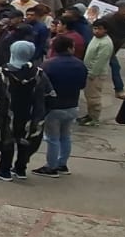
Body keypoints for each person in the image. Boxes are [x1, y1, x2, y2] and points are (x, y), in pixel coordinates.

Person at [0, 41, 55, 182]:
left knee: (7, 141)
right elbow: (49, 95)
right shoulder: (39, 73)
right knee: (25, 141)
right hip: (30, 116)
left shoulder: (3, 73)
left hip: (7, 115)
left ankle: (4, 170)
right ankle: (20, 169)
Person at [37, 36, 88, 178]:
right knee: (65, 136)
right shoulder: (80, 64)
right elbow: (83, 85)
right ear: (70, 48)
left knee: (52, 138)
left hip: (53, 107)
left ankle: (51, 167)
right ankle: (62, 164)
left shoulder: (47, 65)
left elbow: (40, 86)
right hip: (72, 105)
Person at [81, 20, 114, 125]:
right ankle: (89, 115)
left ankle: (94, 118)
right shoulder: (96, 38)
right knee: (88, 95)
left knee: (93, 97)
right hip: (88, 71)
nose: (96, 31)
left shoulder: (105, 43)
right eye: (95, 28)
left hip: (96, 74)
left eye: (99, 29)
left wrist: (92, 74)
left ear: (106, 30)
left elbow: (100, 61)